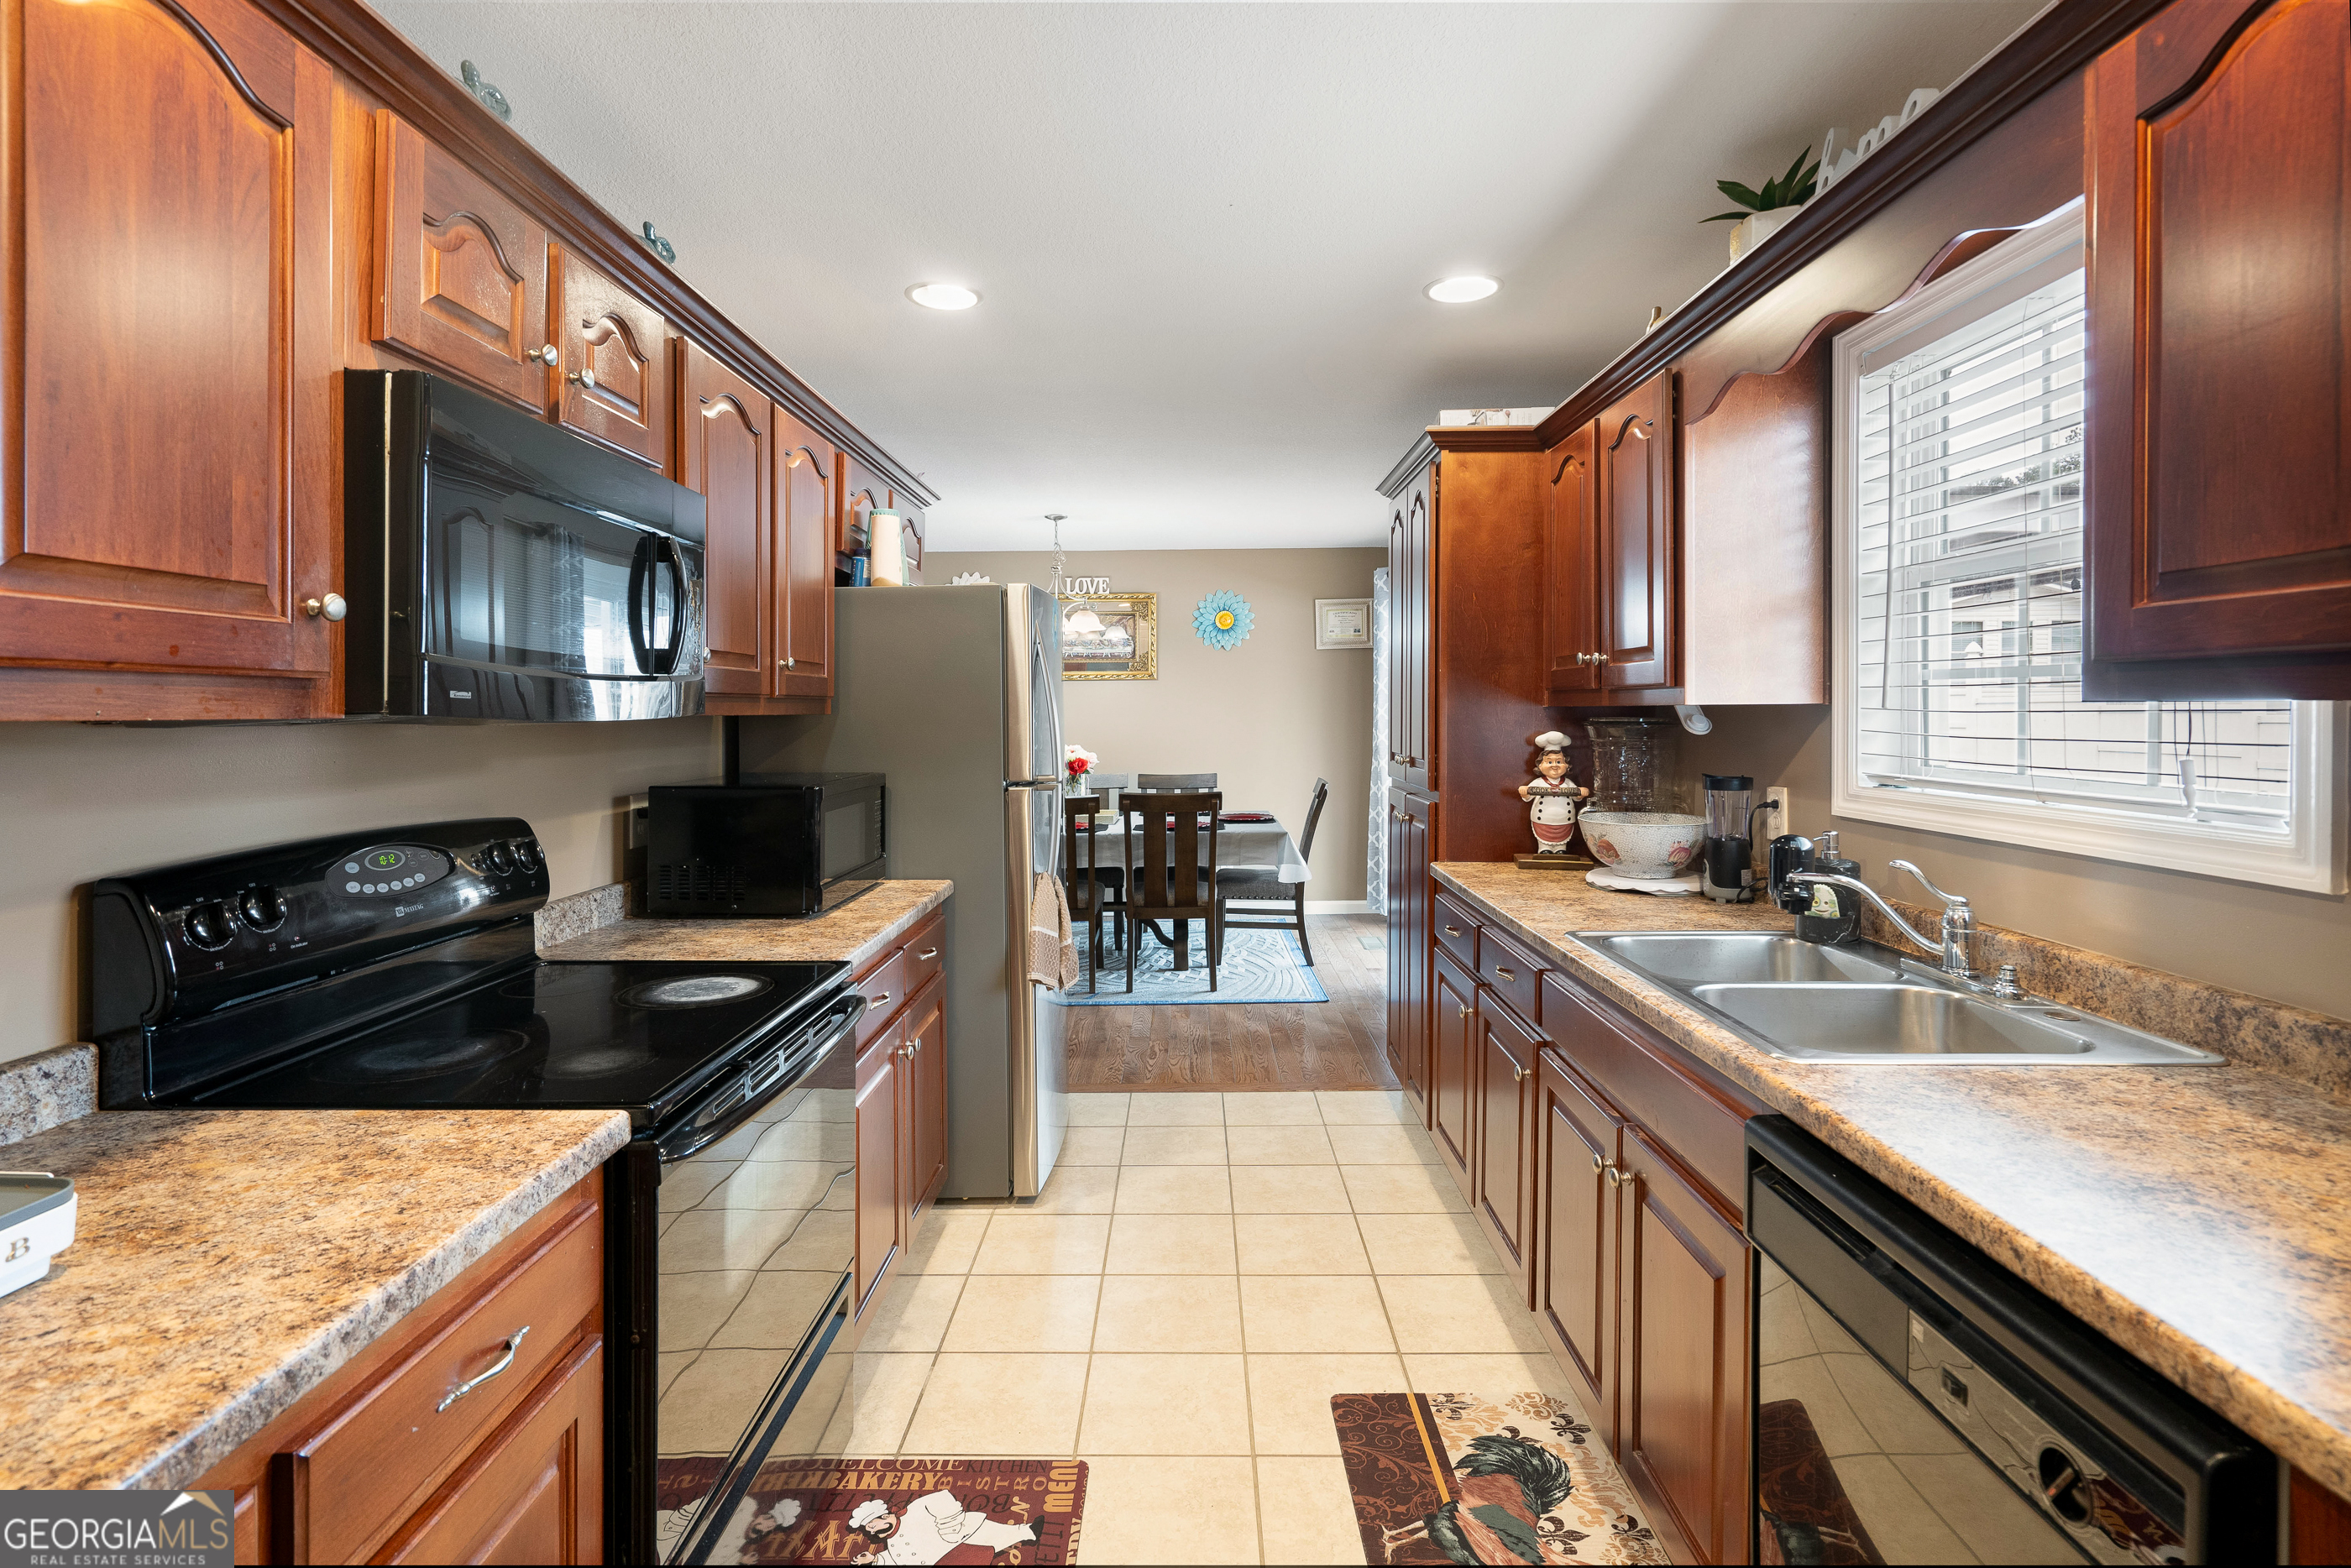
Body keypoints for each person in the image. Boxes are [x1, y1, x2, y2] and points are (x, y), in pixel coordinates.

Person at [846, 1492, 1037, 1565]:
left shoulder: (915, 1509)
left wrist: (950, 1528)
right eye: (869, 1529)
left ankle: (1029, 1531)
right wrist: (876, 1559)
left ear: (885, 1516)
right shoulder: (892, 1542)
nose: (871, 1532)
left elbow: (943, 1499)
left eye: (871, 1526)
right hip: (944, 1561)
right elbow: (898, 1559)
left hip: (960, 1542)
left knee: (993, 1534)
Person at [1518, 730, 1589, 855]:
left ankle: (1561, 849)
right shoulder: (1539, 782)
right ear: (1540, 766)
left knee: (1562, 839)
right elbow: (1528, 796)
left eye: (1559, 762)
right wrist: (1525, 792)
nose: (1554, 766)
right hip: (1542, 819)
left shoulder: (1567, 783)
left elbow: (1576, 797)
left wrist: (1581, 793)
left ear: (1567, 765)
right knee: (1544, 838)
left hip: (1564, 820)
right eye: (1549, 762)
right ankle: (1544, 848)